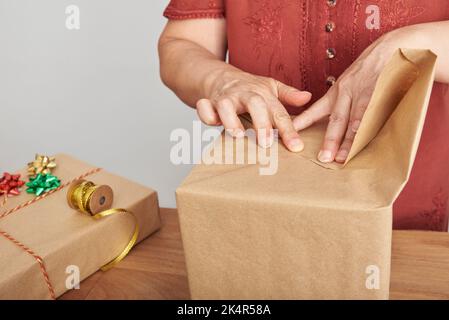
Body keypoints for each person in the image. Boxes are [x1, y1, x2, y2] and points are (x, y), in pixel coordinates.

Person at [158, 0, 449, 231]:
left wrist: (410, 45)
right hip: (257, 209)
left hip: (403, 218)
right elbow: (182, 44)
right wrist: (221, 80)